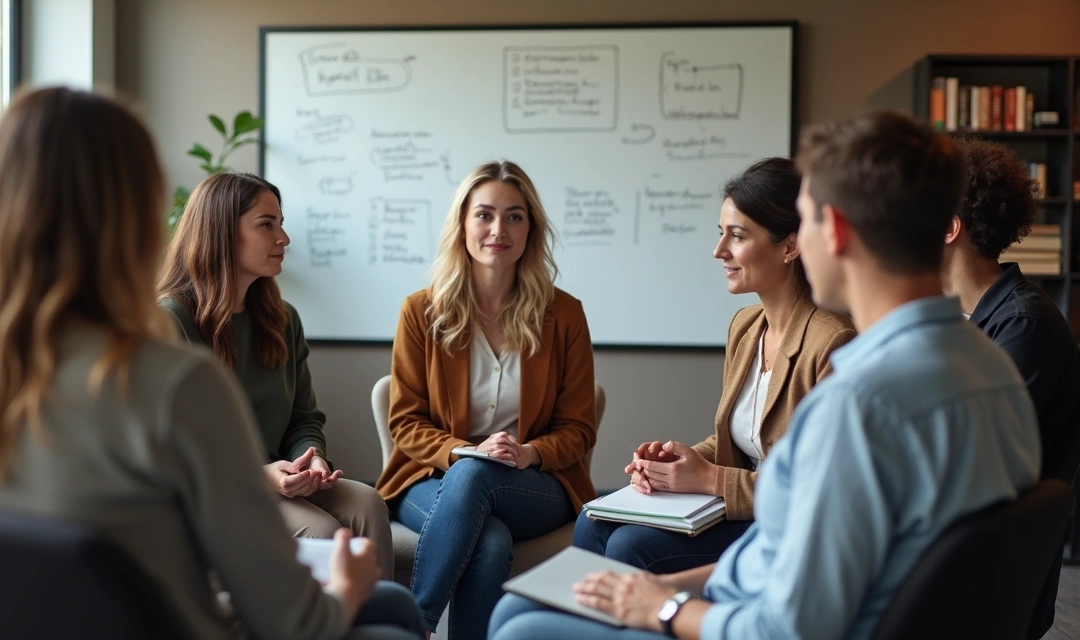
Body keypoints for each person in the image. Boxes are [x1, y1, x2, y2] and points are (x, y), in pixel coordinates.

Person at [0, 87, 423, 640]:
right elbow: (294, 622)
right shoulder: (170, 378)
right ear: (131, 214)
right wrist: (345, 592)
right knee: (390, 616)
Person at [488, 111, 1041, 640]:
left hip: (775, 624)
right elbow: (787, 556)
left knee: (520, 622)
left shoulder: (859, 404)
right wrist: (662, 586)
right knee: (527, 602)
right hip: (796, 599)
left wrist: (664, 606)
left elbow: (785, 627)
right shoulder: (990, 366)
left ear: (835, 232)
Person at [573, 157, 854, 574]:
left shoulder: (832, 342)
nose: (719, 250)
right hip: (744, 509)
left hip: (792, 527)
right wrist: (675, 461)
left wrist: (709, 479)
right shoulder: (745, 327)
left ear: (790, 246)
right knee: (592, 522)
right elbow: (743, 442)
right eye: (721, 234)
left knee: (631, 546)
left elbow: (821, 487)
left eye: (737, 236)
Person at [375, 160, 597, 640]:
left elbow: (579, 428)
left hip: (534, 482)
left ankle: (413, 626)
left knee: (479, 478)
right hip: (433, 476)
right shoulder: (420, 311)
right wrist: (464, 451)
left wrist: (529, 452)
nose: (499, 229)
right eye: (485, 215)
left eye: (515, 216)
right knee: (490, 540)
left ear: (530, 229)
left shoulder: (565, 315)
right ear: (463, 224)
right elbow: (406, 422)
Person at [158, 171, 393, 576]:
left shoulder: (283, 320)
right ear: (222, 232)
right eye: (267, 225)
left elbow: (304, 418)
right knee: (320, 531)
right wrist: (258, 475)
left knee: (368, 503)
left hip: (281, 479)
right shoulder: (171, 321)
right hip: (213, 490)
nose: (283, 238)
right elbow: (169, 445)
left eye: (280, 223)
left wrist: (313, 459)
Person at [940, 137, 1080, 639]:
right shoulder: (962, 320)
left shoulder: (1025, 326)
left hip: (987, 572)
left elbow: (964, 460)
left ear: (949, 227)